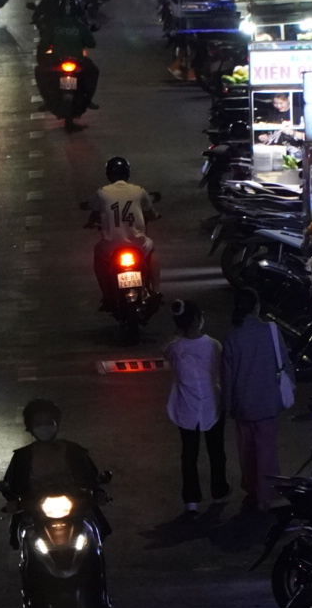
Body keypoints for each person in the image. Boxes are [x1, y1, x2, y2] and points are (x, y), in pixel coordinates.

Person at [0, 399, 109, 547]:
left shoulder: (74, 450)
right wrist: (12, 500)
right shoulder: (22, 456)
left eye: (48, 421)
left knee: (94, 530)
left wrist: (98, 491)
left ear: (56, 423)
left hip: (74, 505)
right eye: (38, 423)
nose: (44, 426)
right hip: (36, 508)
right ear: (29, 427)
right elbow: (12, 483)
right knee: (22, 532)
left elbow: (91, 477)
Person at [222, 289, 288, 512]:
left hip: (243, 404)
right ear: (256, 307)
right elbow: (285, 363)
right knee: (266, 448)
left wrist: (228, 405)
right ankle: (266, 494)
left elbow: (227, 376)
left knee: (247, 449)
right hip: (268, 400)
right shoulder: (271, 331)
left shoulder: (232, 337)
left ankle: (252, 489)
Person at [164, 300, 227, 513]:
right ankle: (218, 492)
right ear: (197, 320)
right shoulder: (214, 345)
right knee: (216, 451)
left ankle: (191, 500)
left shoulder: (174, 348)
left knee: (189, 455)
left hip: (186, 407)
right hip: (212, 404)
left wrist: (177, 333)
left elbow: (166, 350)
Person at [88, 156, 159, 308]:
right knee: (150, 249)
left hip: (111, 245)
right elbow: (151, 213)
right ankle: (156, 291)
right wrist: (154, 216)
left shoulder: (102, 192)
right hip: (138, 243)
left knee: (97, 254)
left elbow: (94, 214)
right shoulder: (138, 190)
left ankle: (107, 295)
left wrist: (90, 223)